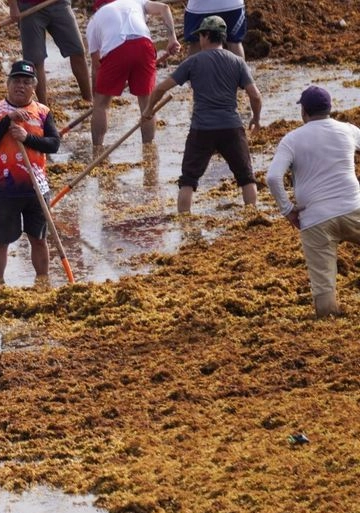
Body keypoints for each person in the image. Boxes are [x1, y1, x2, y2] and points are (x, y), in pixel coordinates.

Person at [144, 15, 261, 215]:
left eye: (200, 36)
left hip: (202, 129)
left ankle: (184, 224)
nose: (199, 40)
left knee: (188, 180)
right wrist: (256, 119)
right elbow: (255, 96)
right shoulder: (237, 62)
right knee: (246, 177)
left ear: (207, 36)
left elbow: (159, 89)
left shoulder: (193, 62)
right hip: (231, 127)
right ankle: (253, 218)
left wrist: (148, 111)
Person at [265, 86, 360, 318]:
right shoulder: (347, 130)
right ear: (330, 108)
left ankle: (329, 319)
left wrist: (287, 210)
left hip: (315, 220)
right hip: (353, 208)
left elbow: (273, 177)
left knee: (324, 286)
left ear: (304, 112)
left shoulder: (292, 139)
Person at [0, 60, 61, 286]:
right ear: (8, 84)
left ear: (34, 86)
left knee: (39, 238)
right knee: (1, 240)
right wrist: (7, 121)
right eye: (15, 81)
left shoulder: (43, 112)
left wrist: (27, 138)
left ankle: (42, 282)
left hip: (36, 188)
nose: (20, 86)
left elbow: (53, 144)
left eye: (26, 82)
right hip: (6, 188)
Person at [86, 0, 181, 149]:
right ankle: (148, 150)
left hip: (115, 50)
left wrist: (96, 100)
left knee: (102, 106)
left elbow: (96, 66)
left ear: (97, 7)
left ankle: (97, 149)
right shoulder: (135, 1)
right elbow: (165, 8)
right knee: (147, 104)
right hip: (143, 45)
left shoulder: (94, 21)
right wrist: (172, 39)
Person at [7, 0, 92, 105]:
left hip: (59, 4)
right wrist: (13, 6)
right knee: (36, 60)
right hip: (29, 7)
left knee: (77, 51)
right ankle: (44, 108)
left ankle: (88, 100)